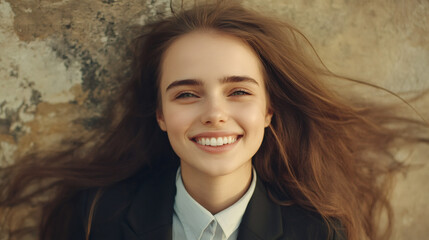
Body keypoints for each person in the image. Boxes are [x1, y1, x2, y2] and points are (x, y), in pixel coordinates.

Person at [1, 1, 428, 240]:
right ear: (161, 115)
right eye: (186, 94)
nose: (215, 113)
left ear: (268, 109)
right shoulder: (96, 216)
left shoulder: (320, 233)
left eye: (239, 90)